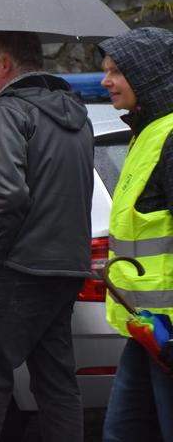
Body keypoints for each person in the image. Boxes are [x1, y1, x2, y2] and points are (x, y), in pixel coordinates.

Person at [0, 31, 94, 442]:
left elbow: (7, 193)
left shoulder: (8, 112)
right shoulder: (77, 114)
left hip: (18, 268)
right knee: (56, 384)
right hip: (66, 267)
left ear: (4, 65)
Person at [98, 27, 173, 442]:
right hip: (147, 330)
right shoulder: (147, 134)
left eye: (116, 71)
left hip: (168, 334)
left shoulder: (169, 136)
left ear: (148, 75)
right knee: (122, 432)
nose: (104, 80)